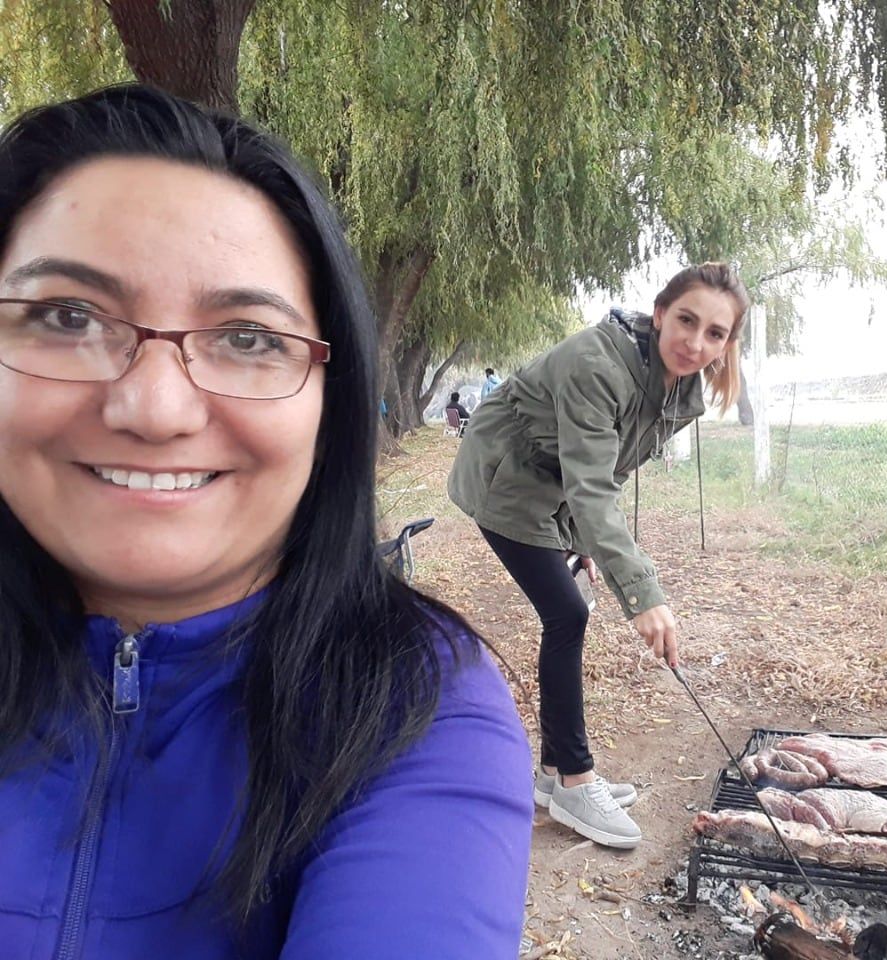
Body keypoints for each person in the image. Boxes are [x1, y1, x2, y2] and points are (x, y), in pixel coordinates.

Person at [0, 85, 532, 957]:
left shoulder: (411, 710)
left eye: (247, 337)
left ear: (332, 398)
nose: (155, 408)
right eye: (68, 317)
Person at [448, 263, 749, 848]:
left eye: (715, 333)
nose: (696, 342)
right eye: (686, 321)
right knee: (569, 615)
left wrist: (580, 542)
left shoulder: (677, 384)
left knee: (568, 612)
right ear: (660, 313)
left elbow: (604, 469)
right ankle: (575, 782)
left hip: (548, 487)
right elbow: (589, 484)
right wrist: (642, 595)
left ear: (726, 342)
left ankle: (552, 778)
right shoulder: (597, 366)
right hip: (503, 480)